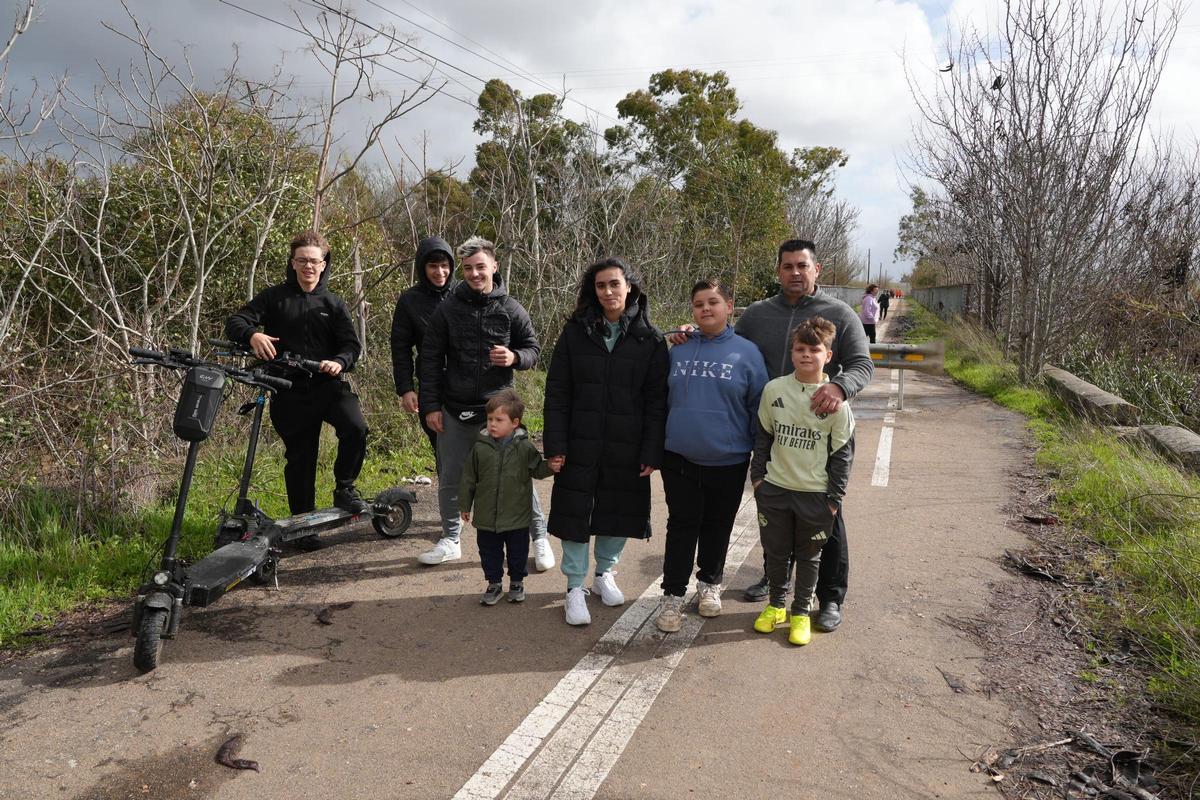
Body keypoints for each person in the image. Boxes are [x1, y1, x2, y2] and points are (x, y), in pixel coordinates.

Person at [719, 239, 872, 632]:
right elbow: (728, 345)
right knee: (779, 517)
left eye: (802, 265)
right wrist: (694, 334)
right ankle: (776, 583)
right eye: (787, 266)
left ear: (816, 269)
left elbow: (862, 364)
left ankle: (830, 597)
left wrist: (839, 387)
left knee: (826, 518)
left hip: (821, 431)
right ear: (778, 271)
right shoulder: (757, 314)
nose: (795, 272)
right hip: (776, 427)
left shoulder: (839, 314)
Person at [543, 257, 669, 626]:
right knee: (576, 512)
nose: (608, 291)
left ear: (629, 286)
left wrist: (651, 450)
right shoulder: (574, 333)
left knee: (618, 509)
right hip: (579, 441)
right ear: (593, 290)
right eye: (601, 285)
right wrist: (555, 445)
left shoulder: (650, 339)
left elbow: (657, 401)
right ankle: (574, 587)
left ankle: (604, 574)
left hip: (626, 443)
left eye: (615, 284)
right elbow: (557, 392)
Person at [225, 229, 369, 550]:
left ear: (324, 264)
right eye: (302, 260)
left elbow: (351, 346)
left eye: (314, 261)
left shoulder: (333, 304)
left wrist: (339, 361)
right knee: (301, 459)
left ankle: (345, 488)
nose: (308, 266)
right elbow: (235, 322)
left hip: (327, 386)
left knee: (356, 428)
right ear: (292, 263)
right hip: (287, 389)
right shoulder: (275, 298)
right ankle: (304, 527)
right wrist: (252, 335)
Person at [418, 236, 548, 568]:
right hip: (454, 407)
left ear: (494, 266)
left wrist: (515, 357)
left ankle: (540, 538)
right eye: (468, 268)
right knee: (451, 477)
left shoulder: (511, 308)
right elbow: (429, 359)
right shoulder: (448, 309)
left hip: (499, 409)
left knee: (517, 477)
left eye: (480, 267)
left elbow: (533, 350)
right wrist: (431, 406)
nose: (474, 274)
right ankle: (451, 540)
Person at [655, 279, 768, 633]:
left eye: (713, 302)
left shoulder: (747, 353)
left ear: (729, 306)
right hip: (679, 457)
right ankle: (672, 594)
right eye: (699, 303)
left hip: (729, 460)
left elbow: (759, 409)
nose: (705, 308)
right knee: (681, 525)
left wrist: (759, 458)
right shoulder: (678, 348)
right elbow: (660, 400)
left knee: (718, 525)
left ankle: (709, 585)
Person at [750, 317, 855, 646]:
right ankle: (776, 606)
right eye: (800, 349)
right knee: (776, 553)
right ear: (791, 352)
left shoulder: (835, 402)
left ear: (828, 355)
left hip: (814, 495)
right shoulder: (774, 390)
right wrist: (758, 480)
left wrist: (833, 499)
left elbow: (842, 454)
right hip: (776, 490)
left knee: (809, 557)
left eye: (814, 349)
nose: (806, 355)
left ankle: (800, 613)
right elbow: (763, 437)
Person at [459, 390, 559, 605]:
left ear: (515, 423)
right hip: (487, 517)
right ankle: (494, 584)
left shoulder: (524, 447)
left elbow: (537, 470)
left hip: (517, 516)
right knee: (489, 552)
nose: (492, 424)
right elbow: (468, 478)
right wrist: (465, 505)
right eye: (490, 419)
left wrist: (550, 467)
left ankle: (516, 582)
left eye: (499, 420)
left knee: (518, 552)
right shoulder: (479, 448)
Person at [390, 236, 455, 457]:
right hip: (431, 385)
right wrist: (406, 389)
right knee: (442, 450)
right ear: (422, 267)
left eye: (444, 266)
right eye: (433, 266)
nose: (440, 272)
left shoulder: (462, 294)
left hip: (465, 385)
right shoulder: (409, 301)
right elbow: (400, 348)